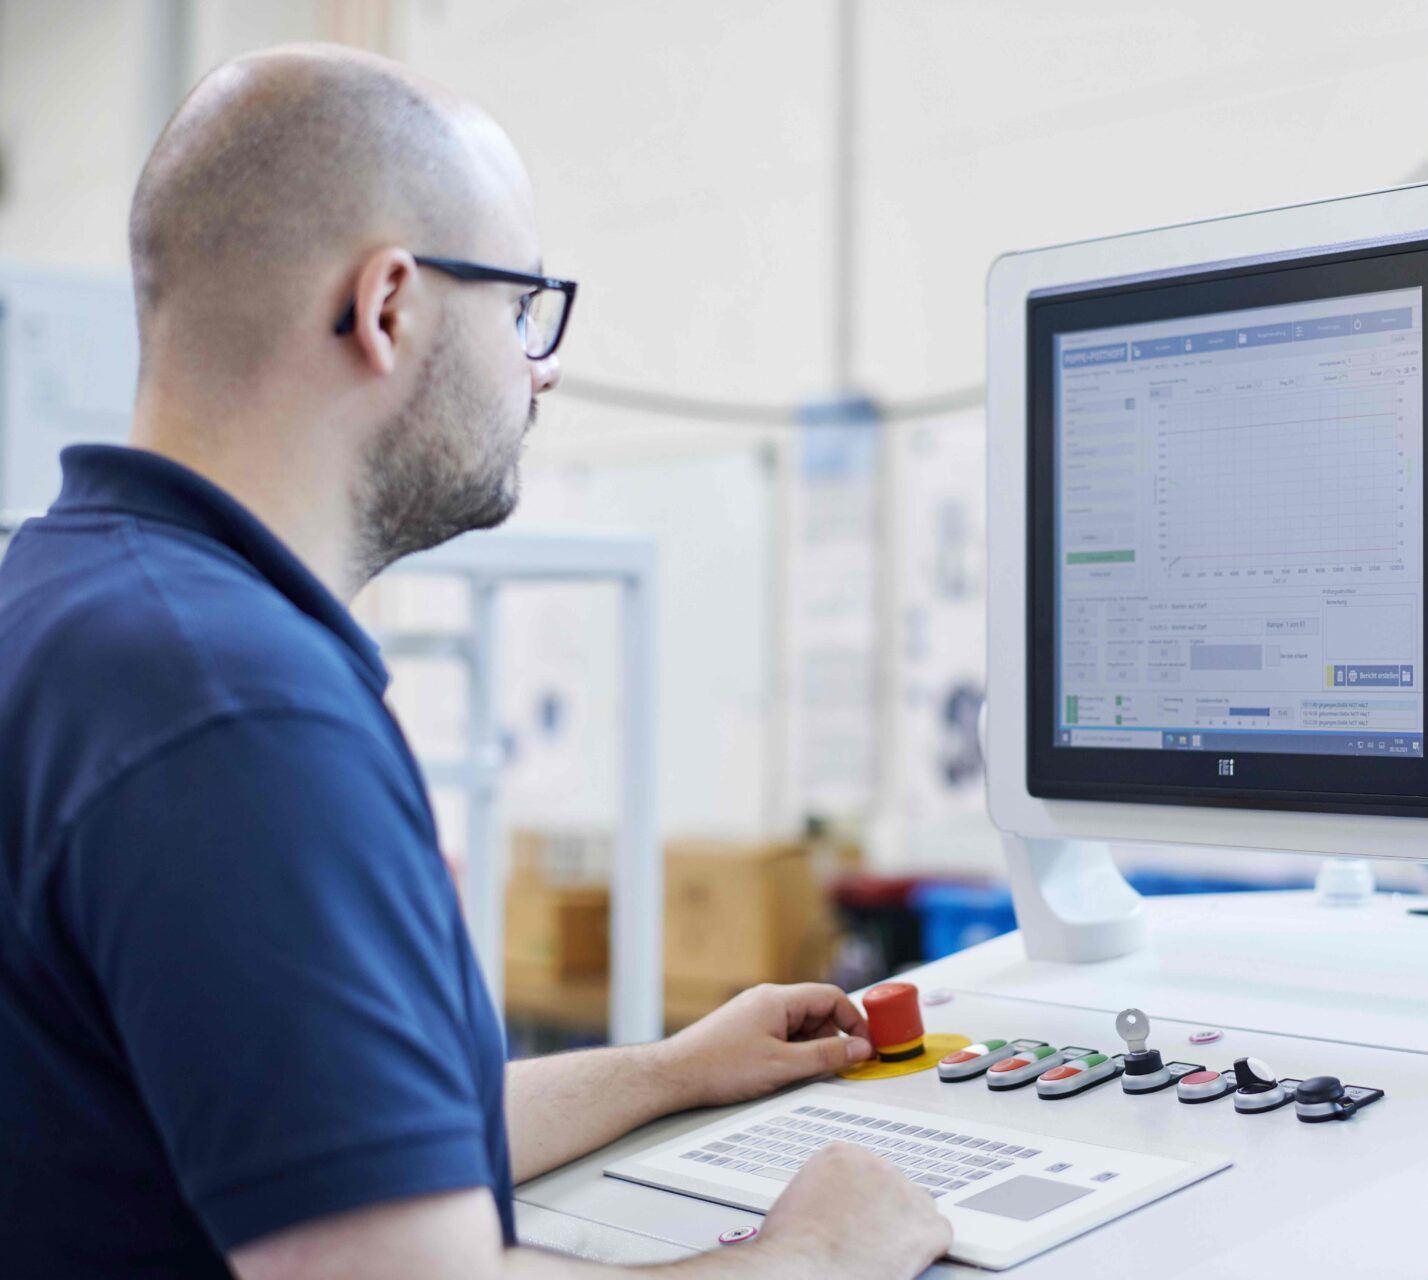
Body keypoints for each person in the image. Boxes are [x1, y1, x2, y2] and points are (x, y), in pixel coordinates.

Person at [0, 44, 950, 1280]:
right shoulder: (239, 715)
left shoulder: (69, 603)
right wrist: (822, 1250)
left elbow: (331, 1149)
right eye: (520, 306)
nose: (540, 363)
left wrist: (668, 1069)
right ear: (386, 304)